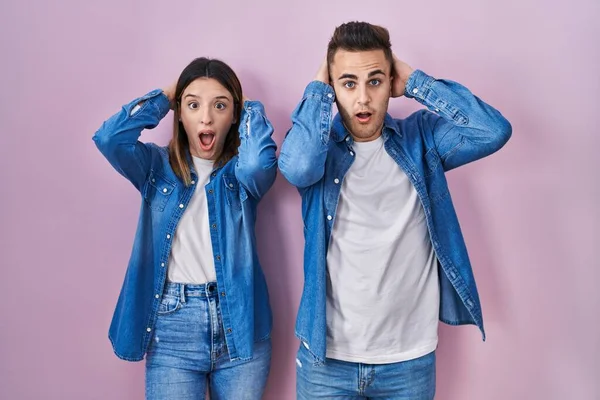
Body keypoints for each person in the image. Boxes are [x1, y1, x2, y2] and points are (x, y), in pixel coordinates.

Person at [278, 21, 512, 399]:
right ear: (333, 88)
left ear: (391, 82)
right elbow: (298, 167)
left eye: (375, 81)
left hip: (408, 359)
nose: (363, 99)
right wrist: (318, 88)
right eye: (348, 83)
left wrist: (416, 81)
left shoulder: (422, 139)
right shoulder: (319, 150)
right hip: (327, 359)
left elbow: (493, 131)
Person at [93, 57, 277, 399]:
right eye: (193, 105)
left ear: (233, 115)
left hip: (241, 319)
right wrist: (166, 96)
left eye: (219, 106)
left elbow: (260, 163)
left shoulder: (241, 174)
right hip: (172, 325)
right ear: (181, 114)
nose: (206, 117)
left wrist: (249, 107)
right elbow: (110, 139)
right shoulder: (155, 166)